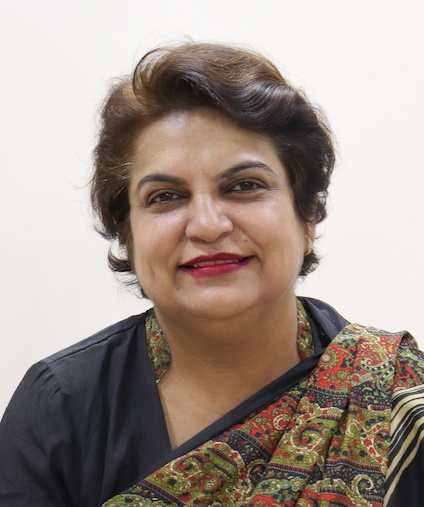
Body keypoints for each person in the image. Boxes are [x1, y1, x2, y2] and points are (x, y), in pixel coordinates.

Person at [0, 42, 423, 507]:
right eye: (165, 197)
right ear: (128, 235)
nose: (206, 225)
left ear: (307, 216)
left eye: (244, 186)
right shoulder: (60, 409)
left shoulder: (394, 394)